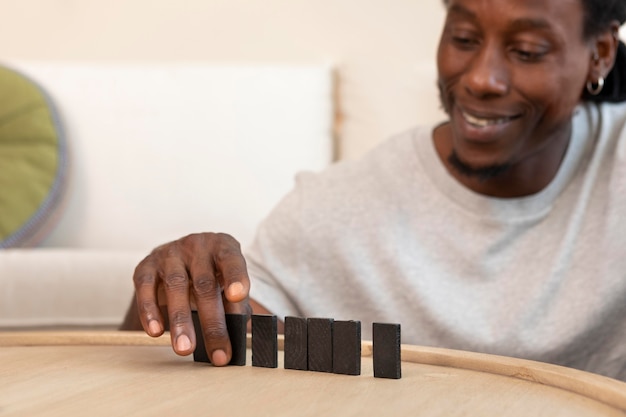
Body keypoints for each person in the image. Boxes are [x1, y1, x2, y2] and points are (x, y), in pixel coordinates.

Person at [123, 0, 626, 381]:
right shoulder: (334, 210)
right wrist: (176, 289)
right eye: (465, 38)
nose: (480, 79)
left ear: (600, 53)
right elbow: (209, 334)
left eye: (526, 51)